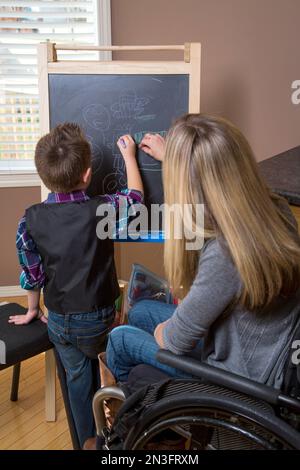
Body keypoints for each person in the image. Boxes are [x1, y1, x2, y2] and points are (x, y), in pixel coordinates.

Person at [106, 113, 300, 389]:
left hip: (237, 379)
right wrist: (175, 160)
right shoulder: (275, 209)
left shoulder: (224, 253)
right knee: (141, 312)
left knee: (120, 339)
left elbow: (174, 340)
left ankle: (132, 420)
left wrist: (165, 330)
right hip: (259, 350)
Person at [9, 123, 143, 447]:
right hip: (98, 321)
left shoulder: (29, 218)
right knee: (110, 372)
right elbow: (136, 201)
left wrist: (31, 309)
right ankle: (116, 439)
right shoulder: (103, 208)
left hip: (58, 321)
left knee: (77, 381)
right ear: (87, 174)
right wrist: (129, 155)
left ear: (44, 176)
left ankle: (86, 443)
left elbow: (33, 274)